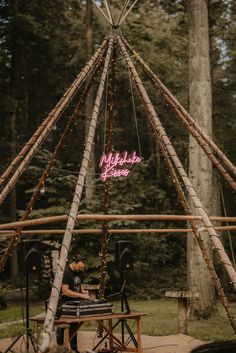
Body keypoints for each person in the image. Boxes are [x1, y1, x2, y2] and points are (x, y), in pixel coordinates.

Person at [56, 255, 90, 353]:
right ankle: (61, 350)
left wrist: (83, 292)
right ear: (74, 263)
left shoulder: (78, 271)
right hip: (64, 303)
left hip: (75, 302)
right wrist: (81, 295)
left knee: (75, 325)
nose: (80, 269)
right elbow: (65, 291)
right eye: (79, 267)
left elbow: (80, 284)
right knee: (62, 327)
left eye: (82, 268)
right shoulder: (66, 272)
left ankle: (74, 350)